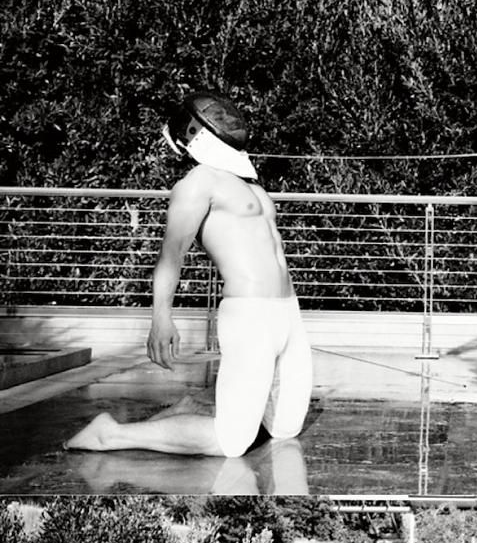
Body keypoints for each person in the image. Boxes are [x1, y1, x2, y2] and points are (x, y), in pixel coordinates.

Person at [66, 92, 313, 458]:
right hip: (250, 314)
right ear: (193, 131)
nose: (226, 119)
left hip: (288, 312)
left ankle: (194, 408)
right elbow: (171, 256)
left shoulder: (250, 184)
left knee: (285, 428)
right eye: (216, 116)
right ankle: (111, 434)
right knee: (231, 443)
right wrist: (161, 318)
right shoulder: (198, 183)